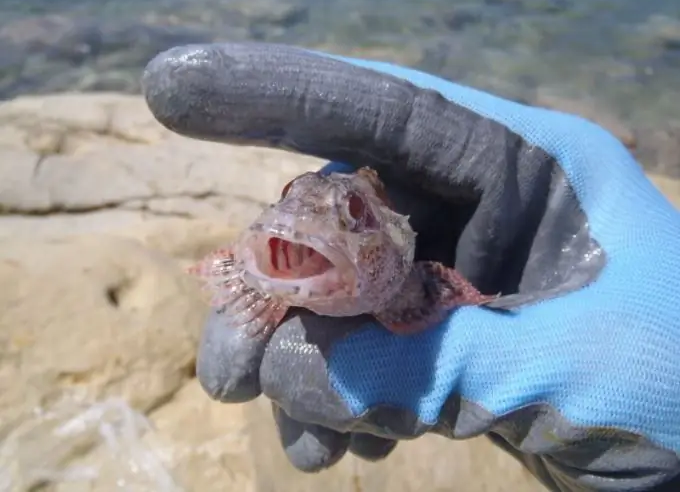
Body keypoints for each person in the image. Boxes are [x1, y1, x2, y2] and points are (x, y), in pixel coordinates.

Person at [141, 42, 680, 491]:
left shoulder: (416, 281)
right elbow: (237, 265)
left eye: (353, 215)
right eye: (287, 201)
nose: (289, 225)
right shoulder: (268, 255)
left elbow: (441, 288)